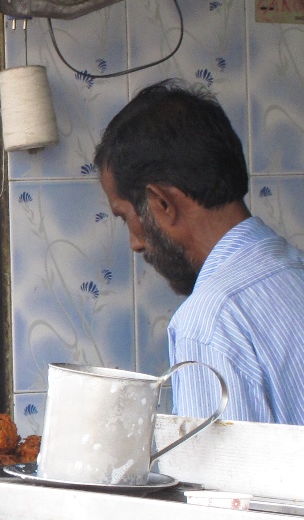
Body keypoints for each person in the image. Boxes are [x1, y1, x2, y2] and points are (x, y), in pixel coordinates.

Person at [96, 81, 304, 424]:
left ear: (161, 203)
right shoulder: (294, 272)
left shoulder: (209, 321)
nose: (136, 243)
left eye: (126, 217)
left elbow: (220, 478)